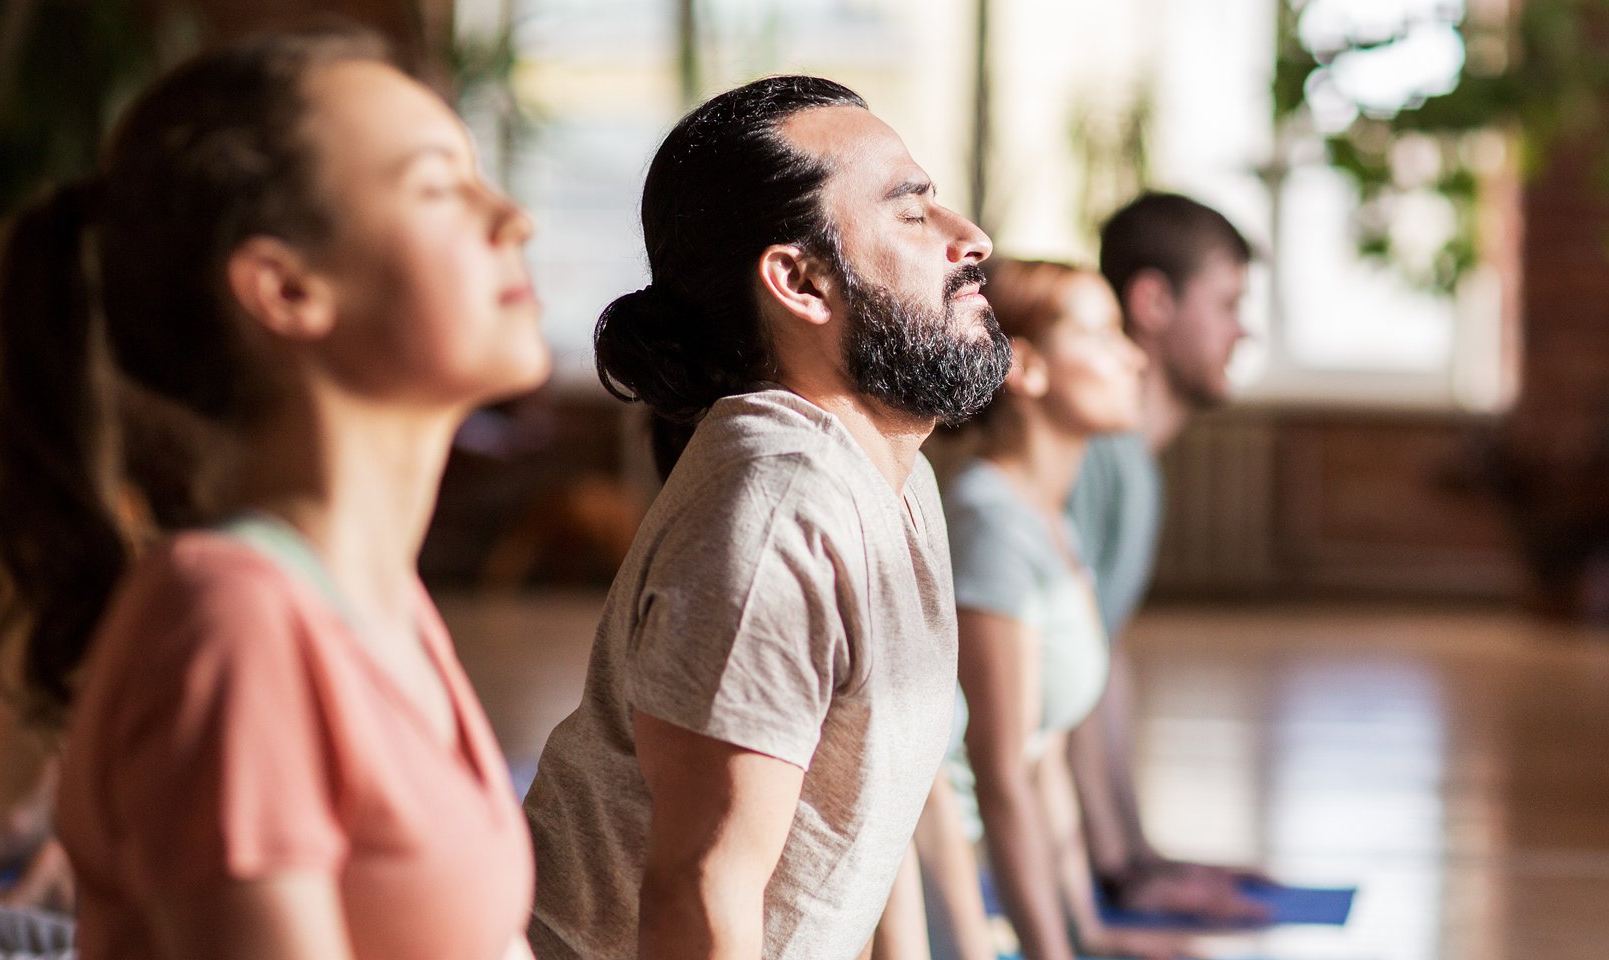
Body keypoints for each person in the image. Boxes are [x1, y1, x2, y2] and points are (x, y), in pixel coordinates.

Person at [0, 27, 547, 960]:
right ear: (283, 288)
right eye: (439, 187)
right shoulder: (230, 620)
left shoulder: (379, 598)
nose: (511, 216)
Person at [520, 76, 1011, 960]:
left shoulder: (895, 472)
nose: (971, 240)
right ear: (800, 281)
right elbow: (701, 893)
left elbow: (867, 809)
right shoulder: (777, 508)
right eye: (912, 215)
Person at [940, 259, 1235, 960]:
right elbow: (1001, 772)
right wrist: (1052, 954)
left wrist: (1091, 935)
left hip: (986, 875)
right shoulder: (992, 525)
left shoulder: (1049, 518)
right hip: (930, 874)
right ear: (1028, 369)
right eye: (1103, 335)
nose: (1133, 357)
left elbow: (1045, 761)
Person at [1065, 193, 1266, 918]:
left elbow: (1100, 662)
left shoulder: (1130, 462)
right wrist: (1118, 877)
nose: (1243, 331)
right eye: (1228, 304)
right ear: (1153, 301)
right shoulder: (1093, 456)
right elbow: (1054, 683)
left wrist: (1138, 853)